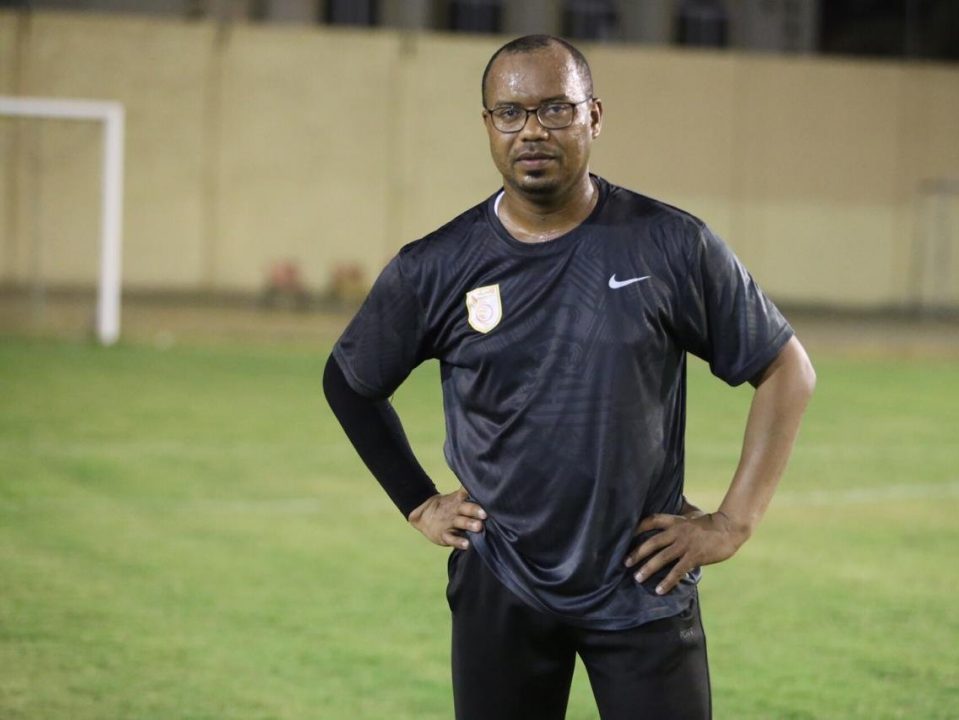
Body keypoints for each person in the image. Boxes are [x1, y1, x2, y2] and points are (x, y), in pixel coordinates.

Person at [324, 34, 815, 720]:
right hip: (501, 580)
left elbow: (787, 368)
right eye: (511, 112)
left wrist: (733, 522)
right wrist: (417, 501)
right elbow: (349, 381)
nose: (532, 130)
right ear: (488, 125)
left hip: (642, 581)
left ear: (594, 116)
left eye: (556, 109)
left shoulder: (670, 244)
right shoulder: (435, 266)